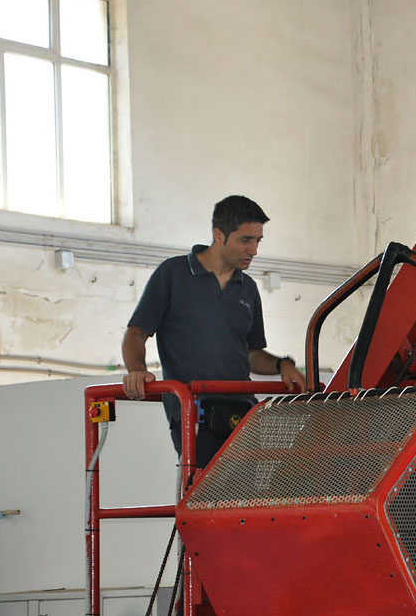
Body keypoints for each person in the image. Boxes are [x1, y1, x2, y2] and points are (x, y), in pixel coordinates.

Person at [122, 195, 306, 469]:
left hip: (242, 410)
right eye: (245, 240)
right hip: (194, 411)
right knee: (207, 487)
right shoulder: (172, 274)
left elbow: (251, 354)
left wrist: (282, 365)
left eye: (258, 241)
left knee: (249, 490)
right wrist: (137, 370)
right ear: (218, 235)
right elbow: (136, 333)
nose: (254, 250)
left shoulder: (248, 288)